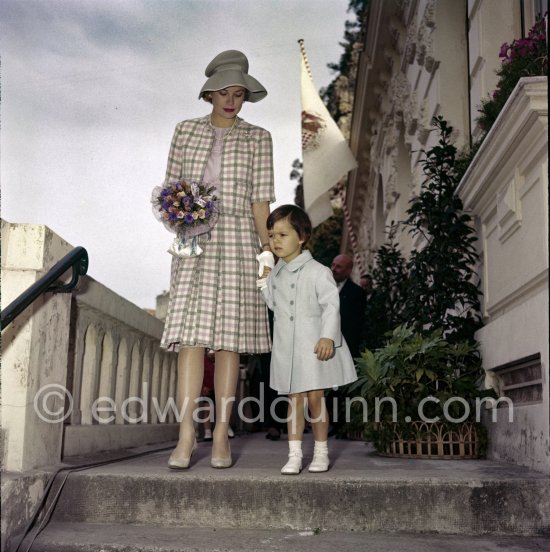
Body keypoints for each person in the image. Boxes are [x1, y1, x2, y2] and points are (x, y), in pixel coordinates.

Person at [161, 50, 275, 470]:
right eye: (224, 93)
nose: (232, 101)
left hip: (240, 241)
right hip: (194, 239)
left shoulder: (258, 138)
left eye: (239, 94)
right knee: (190, 339)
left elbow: (260, 203)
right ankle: (186, 434)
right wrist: (179, 224)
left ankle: (223, 432)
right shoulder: (184, 132)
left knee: (230, 342)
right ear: (210, 94)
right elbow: (171, 190)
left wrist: (267, 252)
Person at [258, 205, 357, 474]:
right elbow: (274, 305)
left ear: (301, 236)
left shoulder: (318, 270)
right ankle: (293, 455)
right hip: (287, 348)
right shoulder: (277, 273)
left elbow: (330, 306)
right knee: (294, 400)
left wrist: (327, 336)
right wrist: (265, 281)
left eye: (282, 234)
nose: (275, 241)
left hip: (312, 345)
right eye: (271, 235)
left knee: (316, 398)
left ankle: (321, 452)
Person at [330, 254, 366, 359]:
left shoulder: (357, 294)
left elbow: (355, 327)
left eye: (338, 267)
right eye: (333, 265)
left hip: (340, 349)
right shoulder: (320, 286)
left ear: (349, 270)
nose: (333, 269)